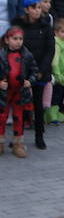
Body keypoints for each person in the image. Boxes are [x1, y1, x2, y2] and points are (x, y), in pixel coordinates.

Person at [15, 0, 53, 150]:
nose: (37, 10)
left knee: (38, 105)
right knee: (19, 104)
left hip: (39, 72)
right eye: (33, 8)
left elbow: (50, 50)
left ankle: (39, 135)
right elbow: (16, 49)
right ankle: (18, 136)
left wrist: (41, 70)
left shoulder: (46, 26)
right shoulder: (19, 27)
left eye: (38, 7)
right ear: (26, 10)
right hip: (22, 71)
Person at [0, 26, 37, 157]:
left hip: (20, 93)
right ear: (7, 40)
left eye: (20, 39)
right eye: (15, 39)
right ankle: (0, 142)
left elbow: (34, 71)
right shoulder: (1, 55)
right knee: (1, 117)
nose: (18, 42)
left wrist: (30, 81)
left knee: (19, 118)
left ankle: (17, 144)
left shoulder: (27, 55)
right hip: (4, 93)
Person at [45, 18, 64, 124]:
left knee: (60, 96)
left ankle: (56, 114)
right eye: (63, 32)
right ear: (56, 32)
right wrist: (57, 73)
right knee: (55, 96)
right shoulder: (57, 43)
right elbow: (55, 60)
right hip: (59, 75)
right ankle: (52, 116)